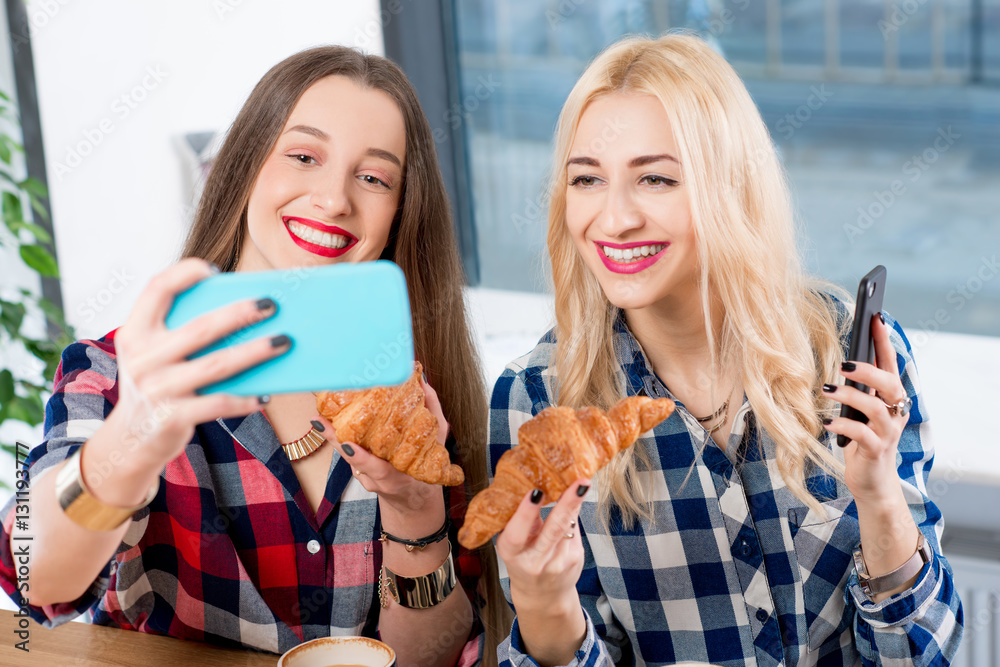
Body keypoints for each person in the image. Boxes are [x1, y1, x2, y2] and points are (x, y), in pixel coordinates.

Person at [0, 46, 509, 666]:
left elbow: (428, 659)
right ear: (241, 169)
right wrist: (131, 440)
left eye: (373, 177)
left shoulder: (411, 401)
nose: (333, 199)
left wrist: (415, 511)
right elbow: (35, 576)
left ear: (400, 212)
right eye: (303, 156)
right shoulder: (118, 370)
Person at [490, 33, 963, 666]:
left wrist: (879, 501)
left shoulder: (849, 356)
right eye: (587, 180)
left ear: (729, 186)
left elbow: (919, 657)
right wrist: (543, 599)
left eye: (656, 178)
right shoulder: (538, 399)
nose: (614, 219)